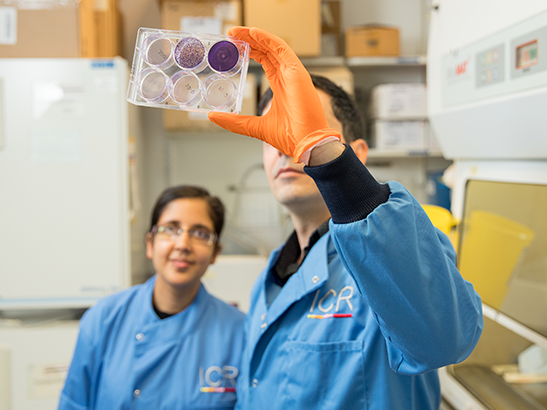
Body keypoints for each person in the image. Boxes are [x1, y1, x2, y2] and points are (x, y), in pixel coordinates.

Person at [208, 27, 483, 409]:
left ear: (356, 152)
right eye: (276, 136)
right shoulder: (271, 276)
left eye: (302, 128)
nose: (288, 149)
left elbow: (444, 340)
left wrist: (324, 156)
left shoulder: (397, 247)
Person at [59, 185, 245, 410]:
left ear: (215, 252)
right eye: (171, 229)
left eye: (200, 234)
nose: (183, 244)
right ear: (150, 244)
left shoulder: (240, 333)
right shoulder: (103, 320)